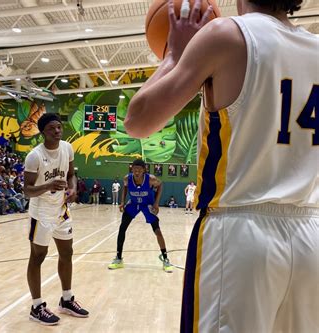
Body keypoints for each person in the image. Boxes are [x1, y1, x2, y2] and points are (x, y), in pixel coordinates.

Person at [125, 0, 318, 332]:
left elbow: (138, 121)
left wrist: (174, 55)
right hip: (310, 236)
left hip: (240, 234)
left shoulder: (226, 35)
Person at [24, 113, 89, 326]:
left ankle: (67, 299)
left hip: (61, 209)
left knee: (67, 252)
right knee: (38, 256)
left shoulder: (67, 148)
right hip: (41, 212)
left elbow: (71, 174)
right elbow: (27, 191)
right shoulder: (34, 156)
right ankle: (36, 306)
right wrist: (47, 186)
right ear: (43, 131)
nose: (58, 131)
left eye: (59, 127)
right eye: (52, 128)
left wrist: (72, 188)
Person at [108, 159, 173, 272]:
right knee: (122, 228)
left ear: (144, 170)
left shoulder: (150, 179)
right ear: (131, 169)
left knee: (157, 231)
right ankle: (118, 259)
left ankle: (166, 259)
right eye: (134, 169)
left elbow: (161, 184)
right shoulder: (127, 178)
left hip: (147, 205)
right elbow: (125, 187)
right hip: (133, 204)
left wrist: (156, 203)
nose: (136, 171)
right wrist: (123, 201)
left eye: (139, 169)